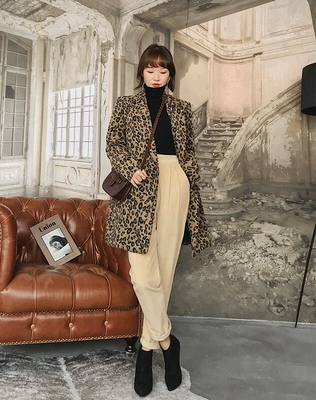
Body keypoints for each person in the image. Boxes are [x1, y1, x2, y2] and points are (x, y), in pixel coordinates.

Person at [104, 44, 211, 397]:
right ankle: (166, 342)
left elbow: (187, 151)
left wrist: (189, 178)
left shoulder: (181, 108)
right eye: (150, 70)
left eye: (163, 70)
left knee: (164, 271)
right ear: (141, 71)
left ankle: (146, 351)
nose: (156, 76)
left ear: (170, 75)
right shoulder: (125, 104)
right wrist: (128, 168)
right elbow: (113, 143)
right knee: (143, 274)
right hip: (139, 188)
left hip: (174, 183)